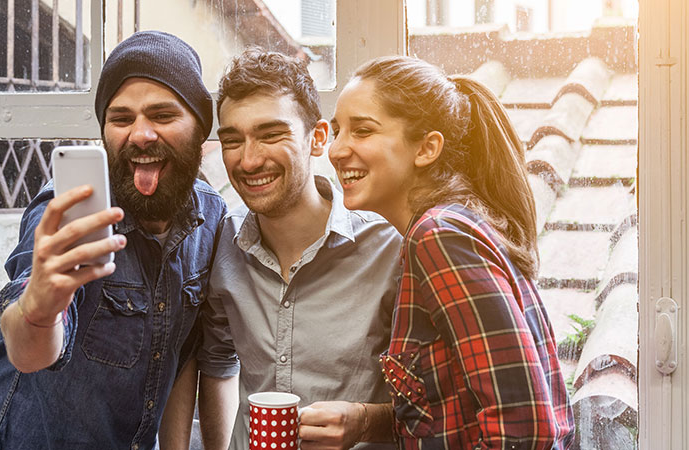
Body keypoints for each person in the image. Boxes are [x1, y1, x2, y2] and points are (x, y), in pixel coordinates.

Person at [0, 31, 226, 450]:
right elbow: (27, 351)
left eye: (162, 115)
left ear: (201, 129)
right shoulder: (65, 213)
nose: (140, 134)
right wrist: (39, 309)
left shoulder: (211, 220)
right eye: (121, 119)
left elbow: (183, 355)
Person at [327, 55, 575, 449]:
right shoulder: (448, 228)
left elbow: (525, 430)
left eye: (362, 131)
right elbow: (450, 411)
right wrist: (365, 423)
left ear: (426, 149)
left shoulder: (439, 236)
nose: (337, 150)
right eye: (337, 131)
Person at [196, 48, 402, 450]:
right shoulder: (222, 241)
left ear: (318, 138)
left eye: (272, 134)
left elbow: (443, 403)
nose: (249, 160)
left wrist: (366, 423)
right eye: (232, 140)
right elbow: (217, 360)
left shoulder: (390, 247)